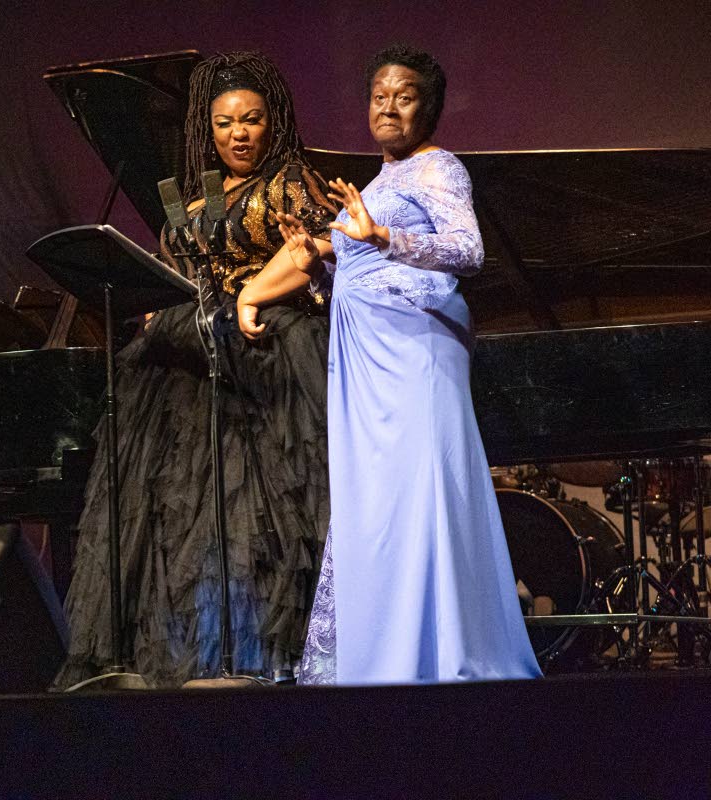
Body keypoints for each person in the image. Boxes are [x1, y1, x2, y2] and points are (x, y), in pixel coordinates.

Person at [238, 45, 540, 684]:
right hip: (367, 351)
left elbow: (468, 250)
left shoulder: (439, 168)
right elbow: (358, 272)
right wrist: (319, 260)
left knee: (417, 492)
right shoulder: (377, 183)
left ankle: (435, 652)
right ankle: (386, 649)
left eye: (403, 97)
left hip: (415, 349)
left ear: (427, 108)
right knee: (376, 502)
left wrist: (381, 238)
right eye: (379, 97)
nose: (389, 108)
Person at [54, 52, 337, 688]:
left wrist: (252, 294)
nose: (239, 133)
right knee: (174, 514)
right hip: (187, 361)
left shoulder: (290, 181)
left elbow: (320, 249)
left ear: (274, 123)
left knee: (252, 514)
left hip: (266, 361)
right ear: (207, 130)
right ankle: (180, 658)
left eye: (252, 120)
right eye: (224, 123)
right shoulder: (197, 194)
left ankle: (255, 657)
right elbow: (175, 266)